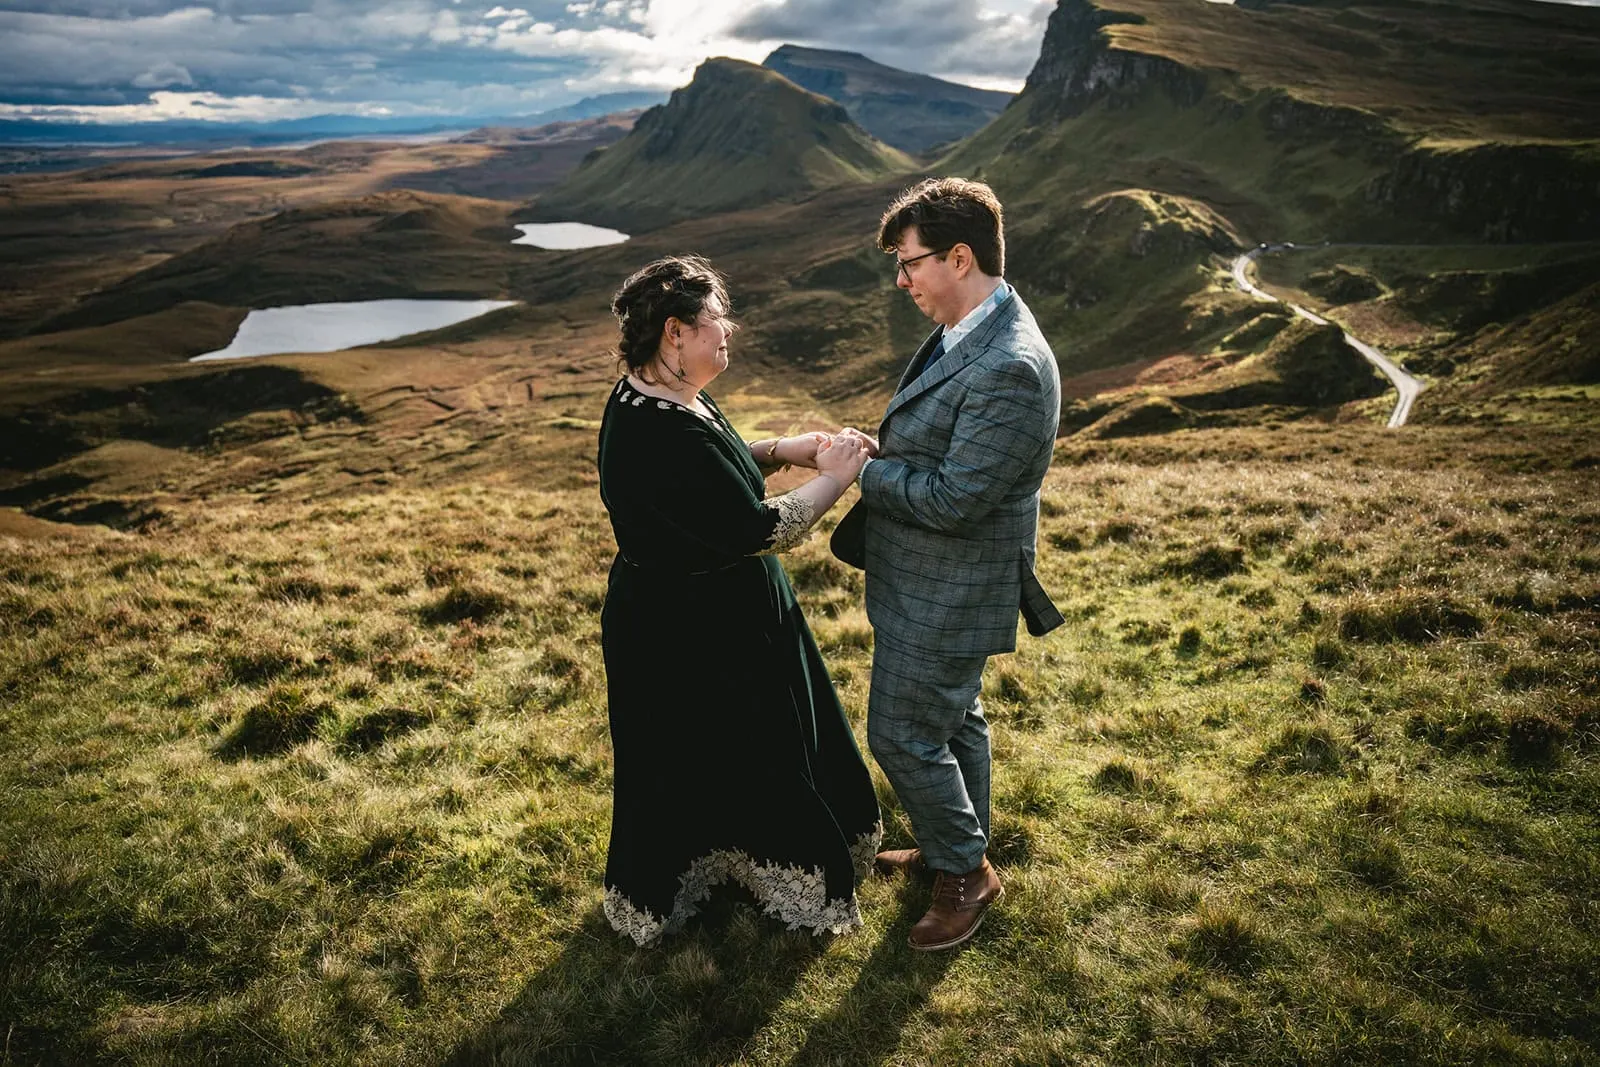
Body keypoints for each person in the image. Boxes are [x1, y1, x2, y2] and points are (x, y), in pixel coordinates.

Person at [596, 254, 882, 948]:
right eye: (716, 321)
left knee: (717, 746)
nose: (729, 331)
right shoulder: (659, 428)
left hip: (699, 610)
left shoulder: (659, 393)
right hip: (693, 625)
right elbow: (762, 528)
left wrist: (784, 447)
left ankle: (737, 861)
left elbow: (716, 465)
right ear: (675, 332)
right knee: (750, 742)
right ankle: (768, 870)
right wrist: (838, 476)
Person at [839, 177, 1064, 951]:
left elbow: (953, 500)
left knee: (901, 734)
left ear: (959, 256)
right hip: (929, 579)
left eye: (910, 264)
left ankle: (967, 874)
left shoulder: (1010, 363)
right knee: (954, 718)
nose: (902, 282)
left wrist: (859, 471)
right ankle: (952, 847)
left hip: (952, 584)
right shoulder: (972, 323)